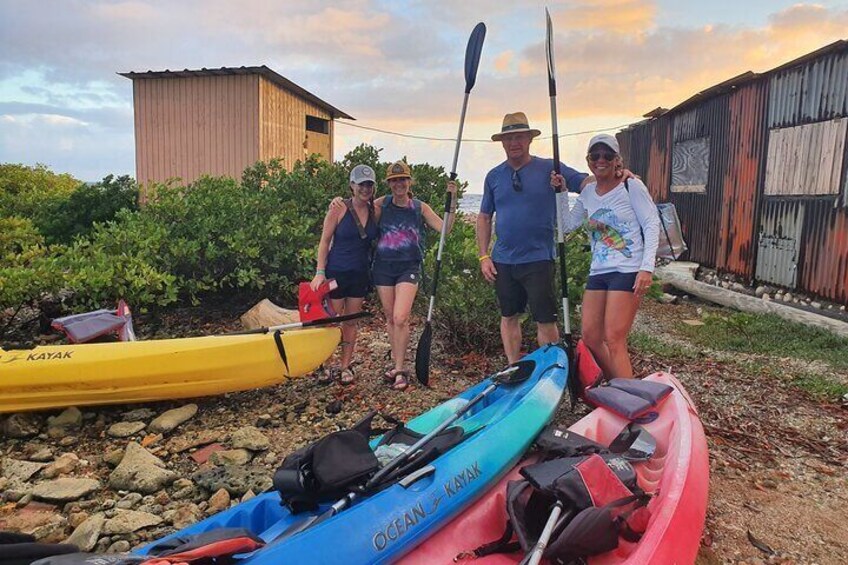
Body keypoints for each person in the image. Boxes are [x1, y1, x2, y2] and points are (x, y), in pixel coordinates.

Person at [477, 112, 590, 364]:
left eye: (519, 136)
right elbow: (484, 217)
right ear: (502, 143)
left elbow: (583, 182)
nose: (514, 142)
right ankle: (512, 365)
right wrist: (484, 255)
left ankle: (550, 369)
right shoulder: (493, 176)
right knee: (508, 315)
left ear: (529, 139)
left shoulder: (550, 168)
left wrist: (615, 177)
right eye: (509, 138)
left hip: (539, 259)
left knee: (545, 318)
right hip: (503, 260)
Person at [553, 133, 660, 378]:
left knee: (614, 338)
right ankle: (619, 385)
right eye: (595, 155)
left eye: (607, 155)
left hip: (628, 268)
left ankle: (632, 402)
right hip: (599, 271)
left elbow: (651, 223)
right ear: (588, 160)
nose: (601, 160)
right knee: (591, 336)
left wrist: (647, 268)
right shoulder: (588, 193)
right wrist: (560, 193)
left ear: (616, 160)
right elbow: (568, 225)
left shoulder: (630, 185)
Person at [310, 164, 379, 384]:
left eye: (369, 184)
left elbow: (399, 199)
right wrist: (320, 271)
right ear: (352, 185)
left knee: (351, 321)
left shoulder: (376, 209)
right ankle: (325, 363)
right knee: (331, 321)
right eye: (361, 184)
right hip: (337, 272)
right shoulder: (338, 208)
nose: (365, 189)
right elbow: (324, 241)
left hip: (359, 274)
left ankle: (345, 365)